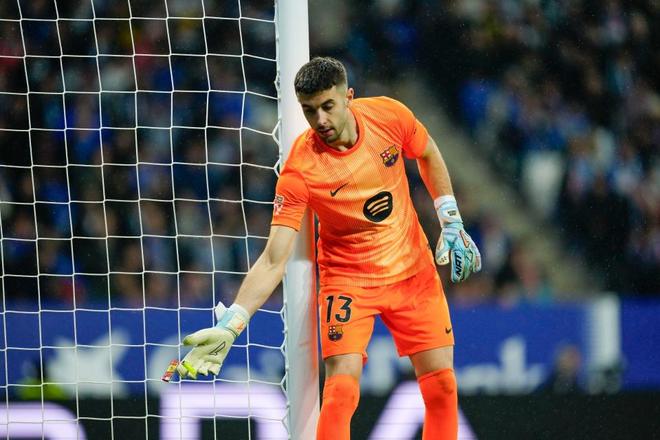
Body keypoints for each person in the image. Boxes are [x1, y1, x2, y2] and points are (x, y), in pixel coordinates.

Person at [173, 57, 481, 440]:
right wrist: (233, 322)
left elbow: (428, 152)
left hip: (412, 271)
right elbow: (273, 258)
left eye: (327, 106)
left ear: (348, 97)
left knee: (442, 386)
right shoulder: (301, 169)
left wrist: (450, 217)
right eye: (309, 110)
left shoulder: (389, 116)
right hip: (348, 282)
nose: (319, 120)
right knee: (341, 390)